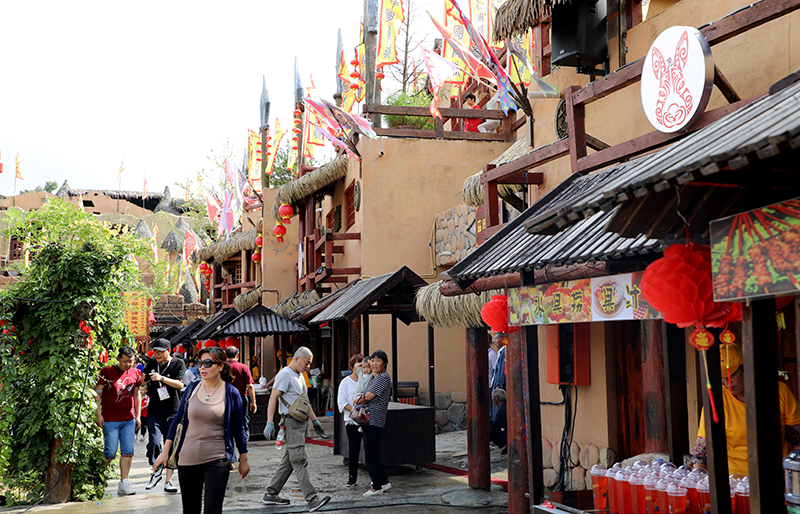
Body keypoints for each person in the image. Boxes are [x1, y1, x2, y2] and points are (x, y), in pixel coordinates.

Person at [152, 348, 249, 514]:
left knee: (212, 510)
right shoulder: (192, 388)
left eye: (208, 363)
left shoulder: (231, 393)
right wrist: (165, 452)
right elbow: (177, 421)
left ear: (220, 366)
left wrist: (244, 459)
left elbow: (238, 428)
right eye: (200, 363)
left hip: (217, 458)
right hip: (187, 459)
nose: (202, 367)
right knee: (190, 510)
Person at [691, 342, 800, 476]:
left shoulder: (779, 392)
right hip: (734, 481)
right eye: (722, 378)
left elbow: (797, 439)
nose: (727, 383)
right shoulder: (717, 401)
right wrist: (696, 477)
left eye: (732, 375)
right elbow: (701, 452)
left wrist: (791, 474)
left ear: (747, 368)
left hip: (775, 480)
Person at [262, 347, 331, 512]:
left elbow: (303, 402)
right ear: (297, 359)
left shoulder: (300, 376)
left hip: (299, 423)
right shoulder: (285, 374)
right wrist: (269, 422)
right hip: (291, 422)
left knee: (290, 461)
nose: (308, 366)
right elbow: (273, 397)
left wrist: (315, 420)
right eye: (307, 363)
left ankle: (271, 494)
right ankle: (312, 499)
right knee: (299, 460)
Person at [95, 345, 141, 495]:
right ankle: (98, 479)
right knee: (110, 451)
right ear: (118, 359)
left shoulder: (135, 373)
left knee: (128, 451)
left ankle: (124, 482)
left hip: (128, 418)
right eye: (125, 361)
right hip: (111, 419)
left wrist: (138, 415)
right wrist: (98, 414)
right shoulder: (107, 371)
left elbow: (136, 394)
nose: (128, 364)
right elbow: (97, 393)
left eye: (131, 361)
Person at [142, 338, 186, 493]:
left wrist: (162, 379)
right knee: (153, 442)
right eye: (155, 351)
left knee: (172, 447)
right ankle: (156, 471)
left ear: (169, 350)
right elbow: (143, 380)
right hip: (154, 411)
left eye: (160, 351)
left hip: (173, 412)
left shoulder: (178, 363)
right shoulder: (152, 363)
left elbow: (181, 384)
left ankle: (168, 481)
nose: (157, 354)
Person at [355, 350, 393, 497]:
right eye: (373, 360)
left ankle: (376, 487)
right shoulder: (376, 377)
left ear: (385, 364)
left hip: (374, 419)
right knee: (372, 453)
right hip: (371, 420)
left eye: (378, 360)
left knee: (370, 454)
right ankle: (384, 481)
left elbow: (370, 396)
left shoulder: (382, 377)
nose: (375, 363)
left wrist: (357, 400)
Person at [338, 354, 363, 487]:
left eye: (363, 366)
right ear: (352, 367)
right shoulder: (345, 382)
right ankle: (352, 478)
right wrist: (355, 411)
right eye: (359, 365)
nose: (361, 368)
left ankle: (374, 479)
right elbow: (341, 403)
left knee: (371, 450)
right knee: (353, 451)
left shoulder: (367, 380)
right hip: (352, 421)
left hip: (367, 421)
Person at [225, 346, 256, 448]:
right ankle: (243, 450)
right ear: (237, 355)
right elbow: (250, 386)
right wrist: (253, 401)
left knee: (227, 425)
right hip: (241, 399)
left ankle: (231, 453)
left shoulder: (222, 367)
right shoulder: (243, 367)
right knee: (243, 424)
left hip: (225, 399)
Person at [490, 388, 508, 454]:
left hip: (507, 433)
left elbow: (495, 425)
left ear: (496, 398)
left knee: (490, 431)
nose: (492, 399)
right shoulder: (505, 406)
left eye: (492, 397)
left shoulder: (502, 411)